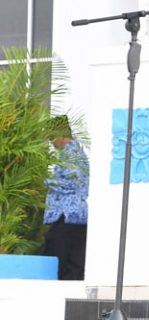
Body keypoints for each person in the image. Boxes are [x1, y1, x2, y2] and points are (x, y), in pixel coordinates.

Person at [42, 115, 89, 281]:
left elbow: (74, 182)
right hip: (72, 216)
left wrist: (45, 180)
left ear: (60, 135)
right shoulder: (71, 153)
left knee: (58, 254)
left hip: (68, 214)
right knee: (72, 258)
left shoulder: (72, 153)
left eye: (51, 138)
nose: (52, 143)